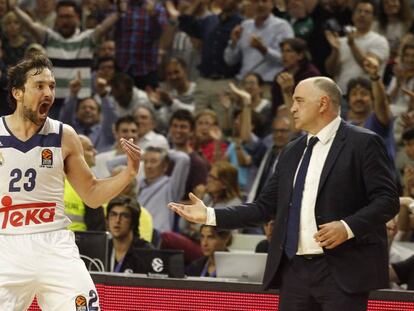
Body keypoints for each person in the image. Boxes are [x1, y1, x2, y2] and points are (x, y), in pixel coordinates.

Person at [169, 76, 399, 311]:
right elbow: (263, 207)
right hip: (295, 271)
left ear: (323, 103)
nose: (292, 108)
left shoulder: (363, 142)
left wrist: (347, 227)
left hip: (342, 269)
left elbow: (388, 200)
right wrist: (209, 216)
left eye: (299, 101)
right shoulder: (291, 151)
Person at [0, 55, 141, 310]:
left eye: (52, 86)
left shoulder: (64, 135)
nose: (48, 93)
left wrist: (128, 173)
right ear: (18, 92)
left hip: (54, 244)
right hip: (5, 244)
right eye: (39, 86)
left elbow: (92, 194)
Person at [106, 195, 153, 273]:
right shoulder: (103, 248)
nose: (117, 220)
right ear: (107, 220)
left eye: (124, 216)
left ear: (133, 222)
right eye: (113, 214)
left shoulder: (146, 252)